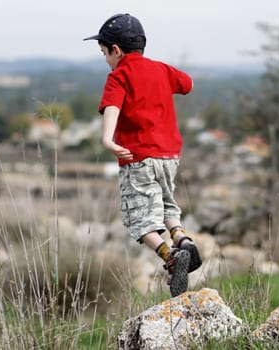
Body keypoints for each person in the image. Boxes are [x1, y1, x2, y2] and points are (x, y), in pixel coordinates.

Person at [83, 13, 202, 297]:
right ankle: (182, 239)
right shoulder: (161, 69)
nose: (106, 60)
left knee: (138, 218)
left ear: (116, 50)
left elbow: (112, 107)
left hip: (137, 158)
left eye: (104, 53)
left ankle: (171, 256)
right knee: (167, 207)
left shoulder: (118, 76)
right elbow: (187, 84)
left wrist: (107, 139)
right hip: (169, 156)